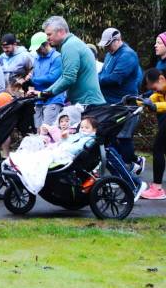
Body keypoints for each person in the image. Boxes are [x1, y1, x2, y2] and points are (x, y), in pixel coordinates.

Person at [28, 16, 104, 107]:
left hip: (87, 103)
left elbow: (69, 78)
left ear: (61, 31)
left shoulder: (69, 46)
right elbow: (64, 76)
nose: (47, 39)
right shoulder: (72, 43)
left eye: (49, 34)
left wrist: (48, 94)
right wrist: (44, 93)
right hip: (85, 101)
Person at [97, 27, 143, 167]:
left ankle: (133, 164)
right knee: (110, 136)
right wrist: (98, 78)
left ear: (118, 40)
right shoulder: (110, 54)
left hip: (126, 103)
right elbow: (103, 73)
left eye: (109, 44)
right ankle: (121, 166)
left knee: (123, 136)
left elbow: (115, 79)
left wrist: (95, 80)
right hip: (111, 103)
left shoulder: (127, 55)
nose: (107, 48)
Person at [138, 68, 166, 199]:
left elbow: (158, 104)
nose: (154, 90)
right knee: (159, 149)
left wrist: (155, 107)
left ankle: (158, 188)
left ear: (161, 79)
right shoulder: (160, 91)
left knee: (158, 149)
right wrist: (133, 101)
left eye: (154, 87)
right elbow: (150, 99)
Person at [29, 32, 66, 128]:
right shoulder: (37, 58)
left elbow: (52, 77)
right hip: (38, 99)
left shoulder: (57, 57)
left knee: (48, 131)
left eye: (39, 49)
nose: (37, 51)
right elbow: (34, 75)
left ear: (46, 44)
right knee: (38, 131)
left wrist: (33, 79)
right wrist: (30, 87)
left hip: (52, 99)